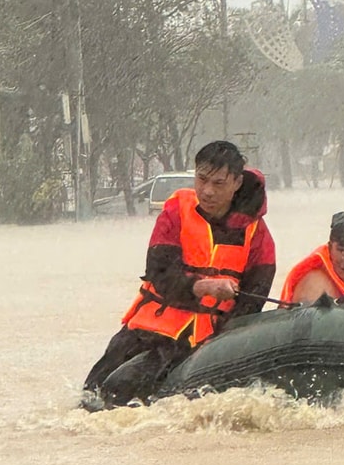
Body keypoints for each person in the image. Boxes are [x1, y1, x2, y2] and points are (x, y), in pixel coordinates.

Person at [83, 141, 276, 408]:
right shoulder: (176, 211)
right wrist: (203, 287)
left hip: (202, 343)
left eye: (218, 183)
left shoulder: (258, 235)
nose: (207, 191)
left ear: (237, 183)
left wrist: (220, 346)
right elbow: (159, 272)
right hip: (147, 329)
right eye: (202, 179)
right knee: (94, 394)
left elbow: (253, 301)